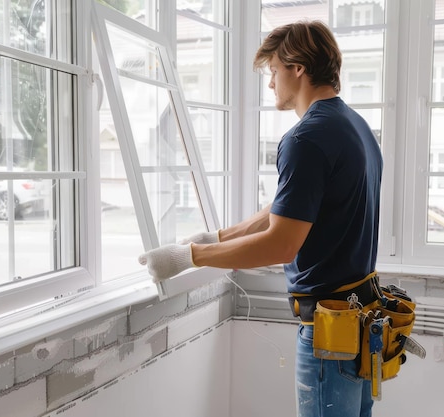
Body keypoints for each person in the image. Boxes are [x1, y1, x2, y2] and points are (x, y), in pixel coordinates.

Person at [139, 20, 382, 417]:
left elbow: (281, 243)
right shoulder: (354, 127)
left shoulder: (306, 139)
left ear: (297, 67)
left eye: (273, 71)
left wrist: (188, 257)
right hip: (360, 325)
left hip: (331, 337)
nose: (270, 83)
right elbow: (289, 209)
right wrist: (216, 236)